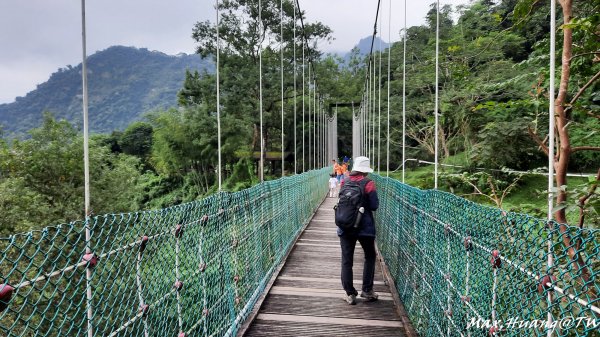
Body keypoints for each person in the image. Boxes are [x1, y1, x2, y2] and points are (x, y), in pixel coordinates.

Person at [337, 156, 379, 305]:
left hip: (345, 225)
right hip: (364, 227)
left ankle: (350, 294)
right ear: (365, 170)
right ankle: (367, 290)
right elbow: (374, 206)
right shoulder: (368, 183)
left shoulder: (344, 180)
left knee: (347, 260)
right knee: (370, 256)